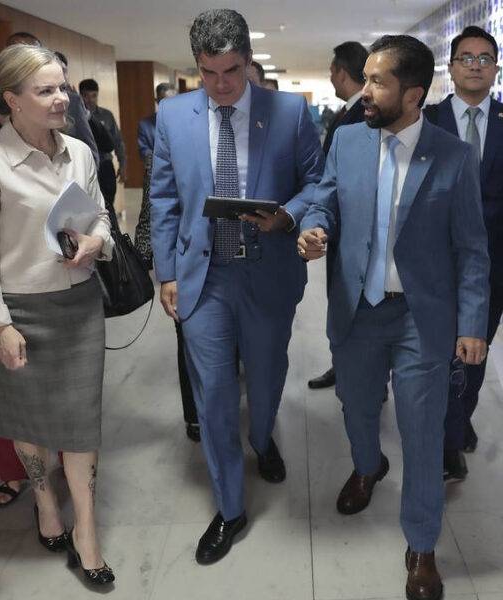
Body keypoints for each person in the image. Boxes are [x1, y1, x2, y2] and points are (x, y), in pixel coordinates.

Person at [299, 35, 490, 600]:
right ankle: (367, 466)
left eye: (377, 82)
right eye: (364, 78)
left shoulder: (453, 155)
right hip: (356, 311)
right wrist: (315, 226)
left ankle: (423, 545)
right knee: (357, 408)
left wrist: (472, 323)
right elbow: (324, 197)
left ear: (413, 94)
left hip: (420, 319)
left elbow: (472, 248)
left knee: (423, 433)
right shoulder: (347, 140)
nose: (364, 91)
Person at [150, 9, 324, 565]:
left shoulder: (290, 112)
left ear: (248, 61)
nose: (221, 84)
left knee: (266, 379)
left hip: (266, 270)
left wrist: (287, 215)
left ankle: (263, 437)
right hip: (204, 277)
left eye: (231, 71)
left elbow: (317, 183)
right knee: (215, 394)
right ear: (197, 66)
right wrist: (167, 272)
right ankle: (230, 507)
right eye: (209, 72)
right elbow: (163, 198)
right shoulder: (172, 115)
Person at [0, 44, 115, 585]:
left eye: (61, 87)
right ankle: (45, 502)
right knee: (27, 421)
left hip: (79, 306)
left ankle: (86, 529)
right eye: (45, 90)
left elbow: (101, 220)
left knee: (80, 422)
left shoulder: (80, 152)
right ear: (11, 100)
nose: (60, 98)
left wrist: (96, 243)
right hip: (17, 311)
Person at [424, 26, 503, 482]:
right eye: (466, 57)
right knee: (435, 354)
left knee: (473, 353)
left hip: (492, 266)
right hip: (432, 263)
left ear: (495, 69)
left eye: (484, 58)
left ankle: (451, 435)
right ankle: (446, 432)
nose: (475, 65)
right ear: (451, 68)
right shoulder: (426, 121)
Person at [135, 82, 200, 442]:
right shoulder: (159, 153)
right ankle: (195, 416)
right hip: (183, 260)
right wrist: (163, 271)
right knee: (186, 337)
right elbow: (153, 211)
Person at [308, 40, 368, 391]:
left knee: (352, 303)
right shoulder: (347, 112)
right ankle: (345, 366)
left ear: (342, 73)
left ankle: (359, 375)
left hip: (351, 229)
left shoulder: (362, 115)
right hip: (337, 225)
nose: (331, 78)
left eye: (332, 72)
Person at [79, 78, 127, 211]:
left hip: (105, 164)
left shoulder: (106, 115)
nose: (90, 100)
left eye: (94, 96)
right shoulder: (75, 117)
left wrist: (123, 164)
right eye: (86, 96)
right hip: (84, 165)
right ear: (80, 96)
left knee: (108, 204)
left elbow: (118, 141)